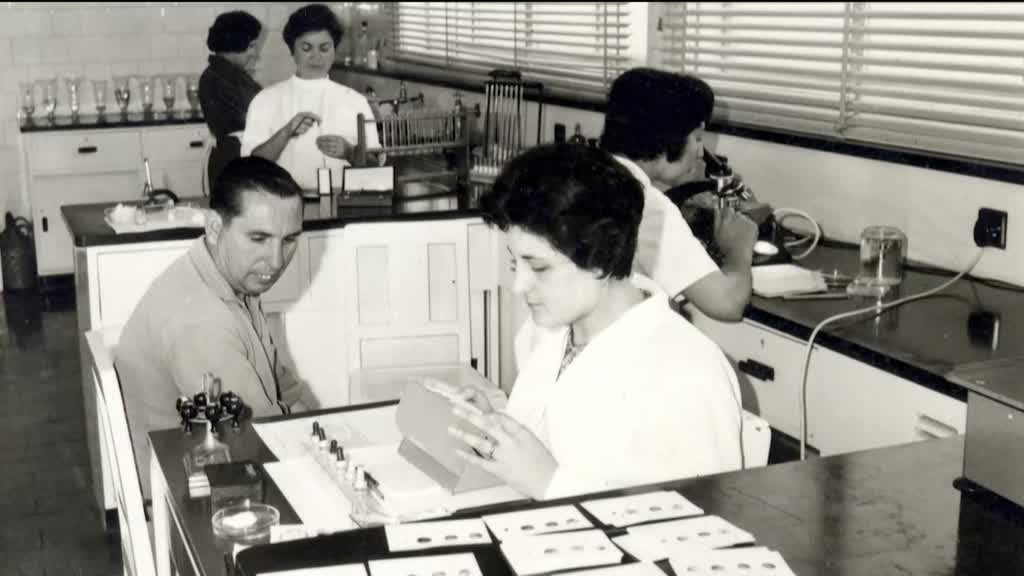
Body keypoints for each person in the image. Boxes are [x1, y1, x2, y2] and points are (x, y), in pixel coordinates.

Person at [446, 144, 744, 500]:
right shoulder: (548, 333)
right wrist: (496, 429)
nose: (518, 286)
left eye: (539, 268)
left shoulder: (689, 372)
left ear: (602, 259)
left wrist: (551, 484)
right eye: (515, 264)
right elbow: (554, 443)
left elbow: (700, 521)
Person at [116, 156, 314, 496]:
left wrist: (320, 431)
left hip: (220, 465)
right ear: (213, 228)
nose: (276, 261)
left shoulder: (229, 278)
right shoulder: (201, 321)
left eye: (289, 240)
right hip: (190, 497)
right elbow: (261, 440)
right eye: (259, 238)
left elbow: (283, 390)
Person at [601, 68, 758, 322]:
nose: (701, 152)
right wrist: (738, 249)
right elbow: (728, 304)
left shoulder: (584, 175)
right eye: (697, 138)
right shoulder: (648, 207)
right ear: (668, 140)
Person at [241, 4, 380, 190]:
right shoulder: (265, 100)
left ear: (334, 50)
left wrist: (350, 152)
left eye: (324, 48)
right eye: (306, 48)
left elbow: (376, 167)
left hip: (342, 200)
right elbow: (250, 168)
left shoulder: (355, 101)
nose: (316, 57)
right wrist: (285, 133)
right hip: (284, 202)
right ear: (292, 50)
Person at [199, 10, 264, 187]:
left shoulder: (230, 74)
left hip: (240, 159)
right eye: (251, 46)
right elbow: (254, 118)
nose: (255, 53)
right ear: (235, 43)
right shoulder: (217, 78)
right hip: (234, 164)